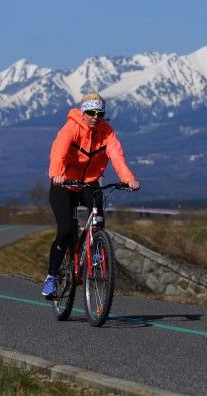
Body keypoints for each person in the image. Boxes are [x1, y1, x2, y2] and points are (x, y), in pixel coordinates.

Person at [43, 92, 140, 298]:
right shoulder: (71, 128)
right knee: (66, 229)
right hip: (64, 183)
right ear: (83, 113)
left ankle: (96, 250)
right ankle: (51, 277)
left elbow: (117, 157)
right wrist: (56, 174)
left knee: (98, 217)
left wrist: (128, 178)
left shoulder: (107, 133)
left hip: (89, 183)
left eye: (100, 114)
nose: (96, 117)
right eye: (91, 112)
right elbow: (58, 152)